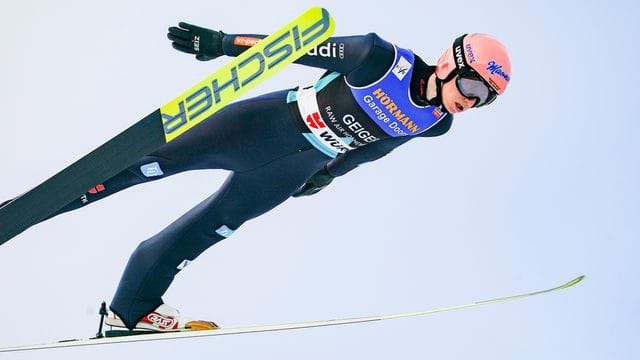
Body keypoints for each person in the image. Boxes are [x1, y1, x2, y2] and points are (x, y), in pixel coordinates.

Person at [6, 23, 512, 332]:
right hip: (262, 126)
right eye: (472, 84)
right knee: (136, 165)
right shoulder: (379, 59)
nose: (472, 101)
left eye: (485, 98)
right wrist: (223, 43)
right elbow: (296, 47)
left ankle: (130, 312)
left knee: (203, 232)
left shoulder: (436, 123)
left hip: (291, 170)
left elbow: (379, 145)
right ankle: (20, 215)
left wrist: (331, 175)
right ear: (450, 63)